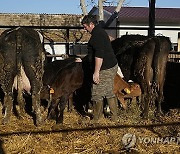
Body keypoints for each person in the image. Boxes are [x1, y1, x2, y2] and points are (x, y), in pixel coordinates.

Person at [81, 15, 118, 122]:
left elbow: (99, 55)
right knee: (108, 91)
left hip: (104, 68)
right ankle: (114, 117)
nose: (84, 29)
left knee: (97, 92)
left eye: (85, 26)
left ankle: (97, 119)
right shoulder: (100, 32)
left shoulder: (96, 36)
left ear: (91, 24)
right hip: (110, 65)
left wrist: (96, 72)